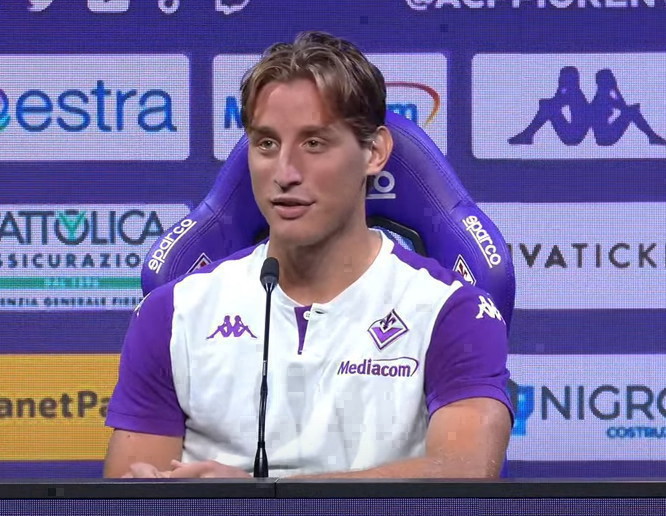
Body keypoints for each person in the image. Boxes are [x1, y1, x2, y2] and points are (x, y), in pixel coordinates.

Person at [103, 31, 513, 479]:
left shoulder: (451, 310)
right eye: (266, 144)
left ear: (374, 152)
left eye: (314, 143)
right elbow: (130, 494)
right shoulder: (173, 312)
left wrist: (256, 500)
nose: (285, 173)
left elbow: (464, 471)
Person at [508, 66, 589, 146]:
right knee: (547, 107)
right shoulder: (573, 92)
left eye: (563, 77)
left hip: (572, 137)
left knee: (547, 107)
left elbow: (557, 102)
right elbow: (557, 100)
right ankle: (527, 135)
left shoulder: (574, 93)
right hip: (572, 134)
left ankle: (527, 135)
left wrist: (545, 103)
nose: (560, 79)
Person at [589, 68, 666, 146]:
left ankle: (652, 136)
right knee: (633, 111)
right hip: (606, 137)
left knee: (632, 111)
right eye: (611, 78)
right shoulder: (601, 98)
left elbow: (623, 107)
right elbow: (625, 109)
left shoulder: (604, 96)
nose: (614, 80)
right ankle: (652, 136)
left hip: (605, 136)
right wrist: (616, 89)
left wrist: (616, 89)